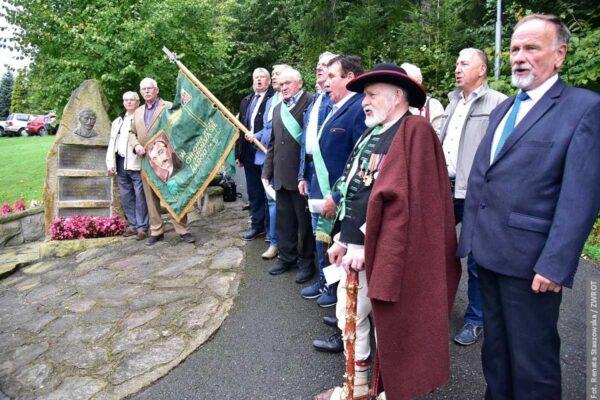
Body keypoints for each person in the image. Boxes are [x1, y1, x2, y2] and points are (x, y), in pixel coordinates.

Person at [458, 14, 599, 398]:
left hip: (531, 264)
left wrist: (555, 263)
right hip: (488, 255)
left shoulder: (584, 108)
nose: (519, 56)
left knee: (532, 361)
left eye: (532, 48)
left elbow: (580, 196)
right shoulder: (505, 109)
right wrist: (468, 242)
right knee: (497, 354)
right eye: (515, 48)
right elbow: (485, 177)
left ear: (559, 55)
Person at [315, 63, 461, 400]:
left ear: (397, 96)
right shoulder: (374, 132)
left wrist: (365, 245)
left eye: (371, 94)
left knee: (388, 325)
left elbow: (408, 204)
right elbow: (358, 191)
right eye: (364, 96)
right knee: (350, 316)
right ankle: (359, 387)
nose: (364, 101)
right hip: (361, 248)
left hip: (390, 252)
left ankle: (387, 391)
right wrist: (343, 239)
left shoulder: (416, 132)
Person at [439, 48, 507, 346]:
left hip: (477, 192)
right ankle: (435, 306)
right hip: (446, 187)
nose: (457, 68)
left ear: (482, 70)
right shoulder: (452, 101)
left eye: (464, 63)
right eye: (456, 63)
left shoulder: (499, 103)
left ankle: (476, 319)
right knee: (436, 248)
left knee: (478, 259)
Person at [301, 55, 366, 356]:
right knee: (336, 263)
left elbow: (357, 164)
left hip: (345, 202)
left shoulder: (356, 110)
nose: (326, 83)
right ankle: (342, 318)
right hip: (329, 195)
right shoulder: (337, 107)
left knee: (347, 271)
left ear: (350, 77)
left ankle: (345, 335)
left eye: (332, 77)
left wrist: (338, 197)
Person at [261, 68, 315, 284]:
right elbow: (273, 143)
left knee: (304, 225)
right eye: (280, 84)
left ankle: (306, 263)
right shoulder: (277, 109)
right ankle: (287, 258)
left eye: (288, 83)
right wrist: (267, 171)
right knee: (284, 222)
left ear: (300, 83)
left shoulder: (311, 103)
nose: (283, 88)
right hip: (281, 176)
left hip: (302, 177)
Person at [129, 77, 195, 246]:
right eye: (143, 89)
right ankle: (156, 230)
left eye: (150, 88)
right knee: (150, 197)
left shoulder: (168, 106)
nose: (147, 91)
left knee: (173, 194)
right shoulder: (137, 111)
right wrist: (136, 146)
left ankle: (182, 229)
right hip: (146, 161)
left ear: (156, 90)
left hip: (166, 159)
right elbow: (131, 133)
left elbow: (179, 128)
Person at [253, 64, 291, 260]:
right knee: (271, 201)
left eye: (277, 74)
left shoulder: (295, 100)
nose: (274, 77)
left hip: (285, 160)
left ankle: (285, 245)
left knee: (284, 203)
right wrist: (255, 135)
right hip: (268, 156)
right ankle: (274, 241)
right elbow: (269, 129)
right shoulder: (271, 101)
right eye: (274, 74)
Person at [236, 68, 274, 241]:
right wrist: (239, 153)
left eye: (262, 77)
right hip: (249, 151)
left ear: (269, 81)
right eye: (256, 78)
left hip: (265, 149)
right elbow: (240, 127)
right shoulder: (246, 100)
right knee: (254, 190)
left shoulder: (273, 99)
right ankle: (257, 225)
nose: (259, 80)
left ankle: (270, 228)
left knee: (267, 189)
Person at [106, 91, 148, 241]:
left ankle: (142, 227)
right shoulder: (118, 121)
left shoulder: (142, 118)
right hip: (120, 162)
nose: (129, 102)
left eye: (132, 100)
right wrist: (110, 163)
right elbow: (112, 143)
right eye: (126, 100)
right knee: (126, 196)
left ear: (137, 102)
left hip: (136, 162)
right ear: (123, 102)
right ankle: (132, 224)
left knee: (140, 196)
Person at [400, 62, 445, 134]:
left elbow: (439, 136)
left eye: (407, 81)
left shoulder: (432, 105)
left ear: (418, 83)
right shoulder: (393, 105)